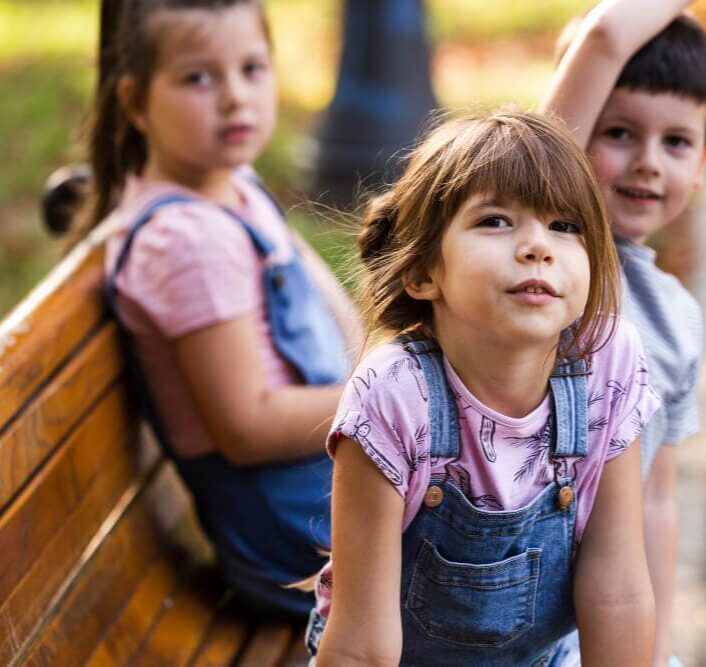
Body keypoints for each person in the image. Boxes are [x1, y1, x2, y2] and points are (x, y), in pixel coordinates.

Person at [303, 109, 661, 667]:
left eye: (565, 226)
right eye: (496, 221)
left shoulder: (606, 361)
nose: (537, 246)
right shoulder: (394, 395)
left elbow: (616, 586)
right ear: (423, 273)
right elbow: (361, 647)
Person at [86, 0, 362, 619]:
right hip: (298, 542)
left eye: (252, 68)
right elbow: (247, 428)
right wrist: (391, 398)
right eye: (198, 78)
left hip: (323, 499)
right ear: (134, 103)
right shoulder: (186, 241)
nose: (236, 97)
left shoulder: (232, 186)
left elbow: (334, 313)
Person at [540, 2, 706, 665]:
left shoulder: (676, 316)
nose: (648, 163)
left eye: (675, 143)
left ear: (703, 161)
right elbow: (606, 36)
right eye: (618, 132)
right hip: (505, 610)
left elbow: (657, 498)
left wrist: (656, 648)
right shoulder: (555, 251)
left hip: (608, 622)